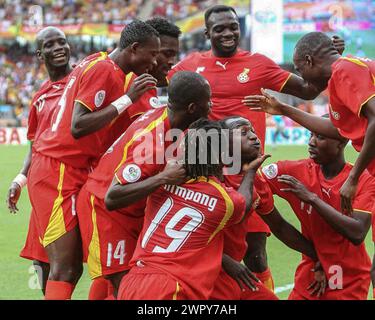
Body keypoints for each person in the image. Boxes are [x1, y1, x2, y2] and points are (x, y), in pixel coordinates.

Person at [168, 5, 345, 288]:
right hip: (206, 175)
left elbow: (309, 90)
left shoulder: (259, 64)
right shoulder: (189, 66)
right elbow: (168, 94)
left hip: (248, 171)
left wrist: (333, 60)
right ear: (206, 33)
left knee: (257, 256)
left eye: (233, 26)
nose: (228, 33)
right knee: (209, 254)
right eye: (219, 28)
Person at [26, 20, 160, 300]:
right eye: (152, 53)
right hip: (57, 168)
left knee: (77, 264)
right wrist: (128, 98)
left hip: (72, 167)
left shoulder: (96, 62)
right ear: (134, 49)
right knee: (65, 267)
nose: (155, 60)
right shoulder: (104, 70)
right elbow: (79, 125)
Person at [76, 71, 212, 298]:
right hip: (105, 209)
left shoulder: (172, 119)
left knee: (127, 279)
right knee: (124, 285)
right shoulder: (153, 143)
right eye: (208, 101)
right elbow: (113, 197)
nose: (212, 105)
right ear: (191, 108)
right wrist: (163, 178)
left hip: (134, 210)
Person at [86, 17, 181, 300]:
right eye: (163, 54)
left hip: (130, 193)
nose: (168, 62)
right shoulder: (132, 83)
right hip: (114, 191)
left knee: (117, 272)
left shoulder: (146, 85)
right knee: (122, 276)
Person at [117, 118, 264, 300]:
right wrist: (250, 172)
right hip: (171, 286)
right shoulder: (223, 199)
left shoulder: (162, 180)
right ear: (223, 154)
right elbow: (243, 204)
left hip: (133, 280)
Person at [244, 32, 375, 215]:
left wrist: (353, 178)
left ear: (309, 61)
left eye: (299, 69)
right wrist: (283, 109)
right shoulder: (345, 72)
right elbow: (338, 130)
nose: (303, 78)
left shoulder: (345, 69)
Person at [258, 119, 375, 299]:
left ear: (342, 142)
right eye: (310, 135)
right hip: (311, 272)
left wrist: (312, 199)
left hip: (349, 279)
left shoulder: (362, 180)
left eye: (320, 137)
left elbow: (357, 233)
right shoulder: (295, 170)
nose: (311, 142)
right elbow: (254, 182)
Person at [211, 116, 320, 300]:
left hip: (232, 273)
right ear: (223, 145)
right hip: (205, 271)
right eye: (243, 132)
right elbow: (193, 238)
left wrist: (319, 257)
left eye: (252, 130)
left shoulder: (256, 181)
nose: (254, 136)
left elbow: (279, 226)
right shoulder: (212, 178)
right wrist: (228, 262)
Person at [6, 27, 73, 295]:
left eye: (62, 42)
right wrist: (19, 179)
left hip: (72, 182)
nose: (58, 47)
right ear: (39, 54)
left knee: (75, 262)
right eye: (50, 44)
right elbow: (35, 145)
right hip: (44, 188)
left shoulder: (81, 81)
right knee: (41, 258)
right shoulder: (40, 97)